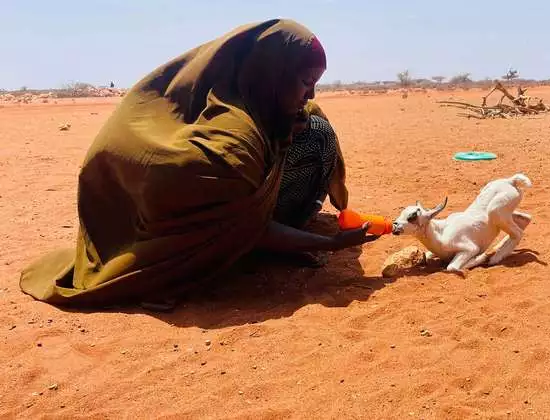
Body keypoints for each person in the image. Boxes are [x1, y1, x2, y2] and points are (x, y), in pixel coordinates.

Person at [19, 19, 379, 308]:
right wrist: (327, 244)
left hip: (222, 199)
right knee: (310, 135)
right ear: (273, 73)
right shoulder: (230, 146)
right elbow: (250, 227)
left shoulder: (252, 102)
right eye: (305, 83)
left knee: (316, 128)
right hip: (153, 233)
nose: (311, 94)